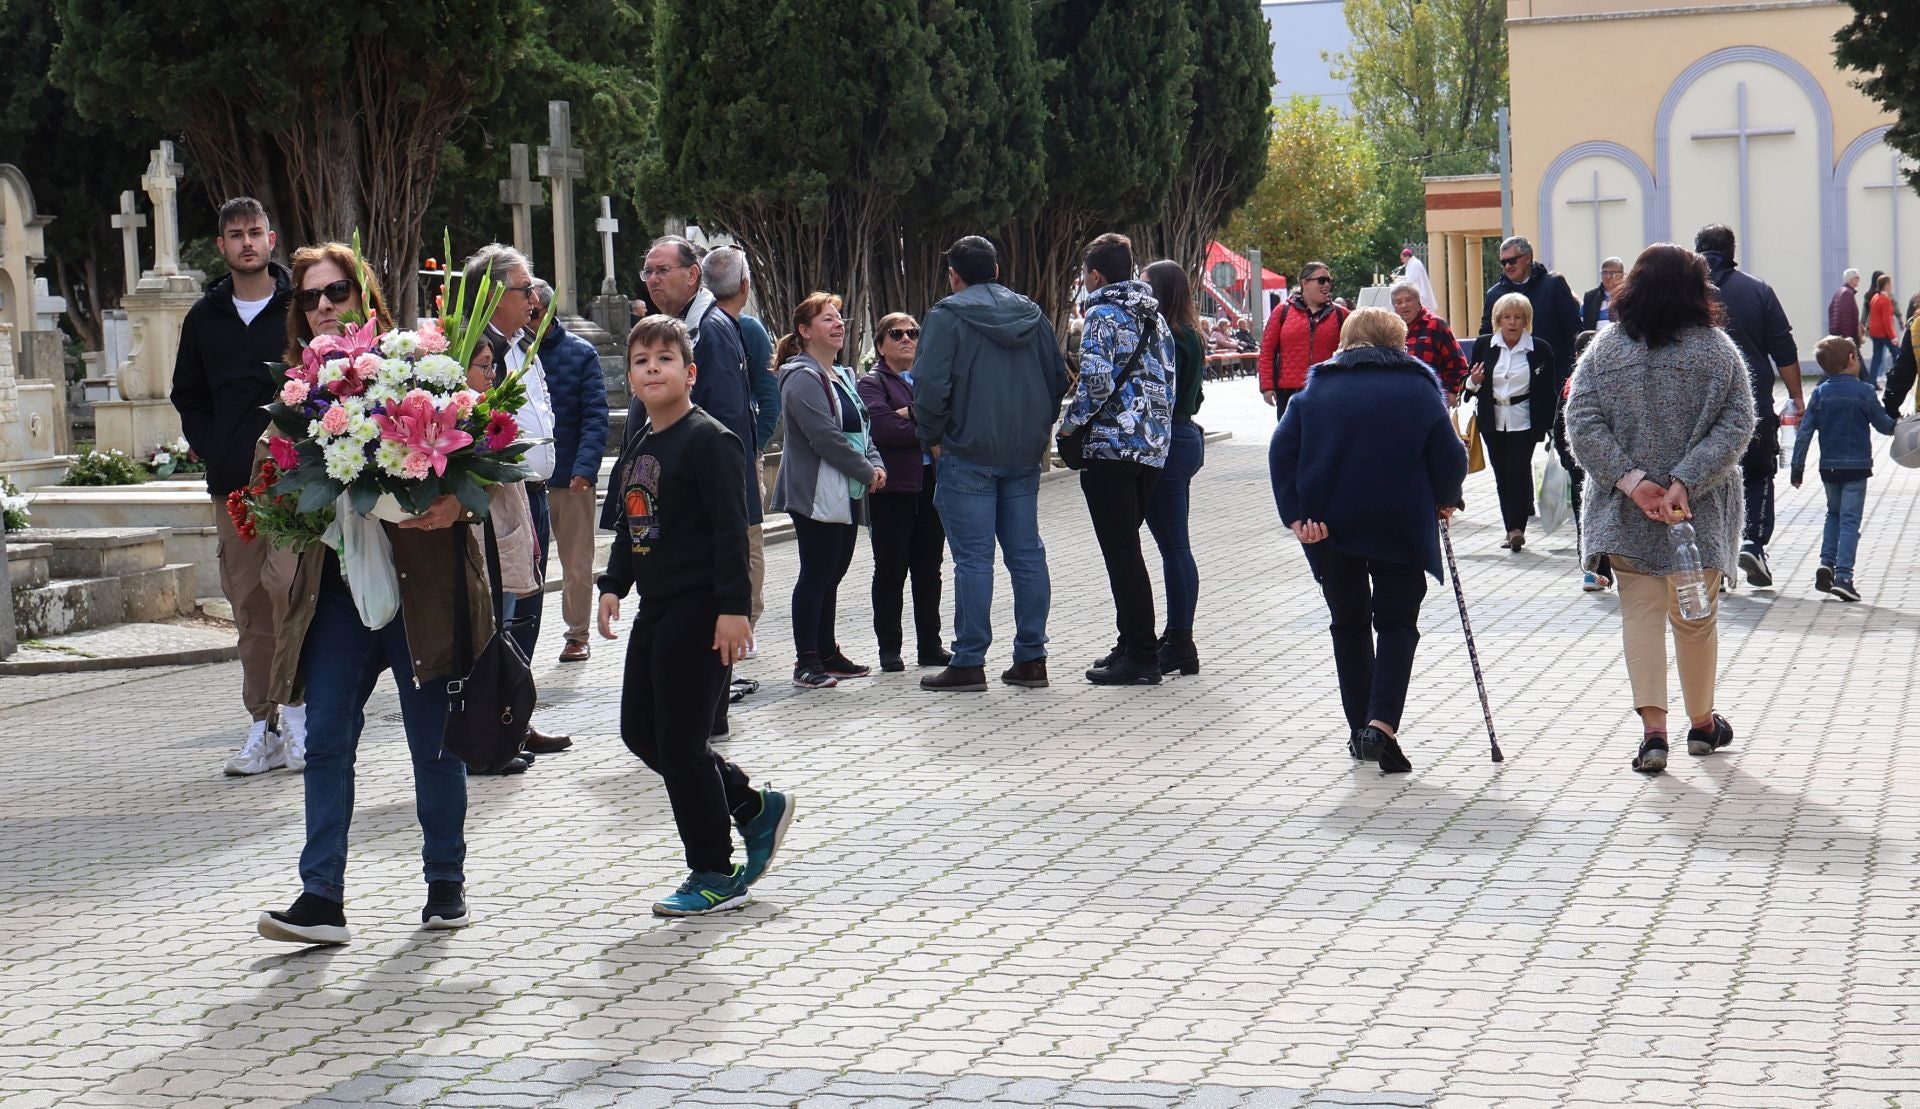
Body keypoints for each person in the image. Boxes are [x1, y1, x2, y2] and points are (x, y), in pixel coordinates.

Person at [256, 244, 482, 945]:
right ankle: (322, 896)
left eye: (337, 291)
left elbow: (482, 461)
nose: (324, 304)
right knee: (326, 739)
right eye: (311, 297)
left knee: (433, 742)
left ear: (366, 298)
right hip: (337, 591)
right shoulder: (297, 392)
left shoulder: (415, 372)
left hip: (422, 587)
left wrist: (458, 506)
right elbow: (273, 476)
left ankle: (444, 882)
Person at [597, 314, 793, 916]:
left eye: (665, 358)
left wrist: (735, 610)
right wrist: (613, 585)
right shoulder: (641, 442)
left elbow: (732, 532)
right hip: (656, 607)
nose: (652, 368)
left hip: (703, 607)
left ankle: (713, 870)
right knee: (641, 732)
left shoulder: (711, 439)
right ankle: (750, 804)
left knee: (681, 743)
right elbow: (635, 525)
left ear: (691, 372)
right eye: (641, 361)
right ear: (630, 378)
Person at [1565, 243, 1755, 776]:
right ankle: (1702, 723)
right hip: (1696, 513)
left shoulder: (1604, 350)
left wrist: (1631, 482)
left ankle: (1653, 734)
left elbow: (1581, 423)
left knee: (1641, 618)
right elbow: (1739, 423)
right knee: (1696, 618)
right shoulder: (1718, 352)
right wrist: (1684, 482)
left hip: (1626, 513)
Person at [1269, 307, 1468, 775]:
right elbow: (1449, 454)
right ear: (1397, 344)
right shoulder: (1418, 387)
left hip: (1329, 527)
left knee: (1349, 625)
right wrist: (1445, 497)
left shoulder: (1316, 387)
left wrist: (1296, 516)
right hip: (1398, 523)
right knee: (1397, 625)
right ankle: (1380, 727)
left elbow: (1282, 450)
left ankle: (1361, 725)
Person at [168, 196, 306, 777]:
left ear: (271, 240)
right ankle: (263, 726)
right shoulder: (204, 318)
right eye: (235, 235)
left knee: (290, 590)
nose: (246, 243)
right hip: (234, 488)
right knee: (249, 603)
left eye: (255, 232)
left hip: (295, 481)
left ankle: (301, 720)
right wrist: (216, 445)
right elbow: (187, 393)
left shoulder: (299, 306)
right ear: (221, 246)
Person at [912, 235, 1070, 692]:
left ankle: (969, 660)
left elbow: (929, 386)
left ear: (954, 275)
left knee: (973, 560)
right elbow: (1057, 377)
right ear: (997, 270)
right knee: (1026, 554)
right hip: (1021, 454)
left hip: (966, 451)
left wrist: (933, 437)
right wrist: (1036, 429)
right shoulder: (1032, 313)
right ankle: (1032, 657)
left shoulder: (947, 316)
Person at [462, 246, 570, 758]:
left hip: (533, 493)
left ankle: (517, 718)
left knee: (527, 611)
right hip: (501, 497)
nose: (534, 296)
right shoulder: (477, 350)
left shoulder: (523, 342)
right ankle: (494, 729)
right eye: (523, 288)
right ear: (491, 294)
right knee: (500, 619)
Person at [1063, 233, 1174, 686]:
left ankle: (1142, 655)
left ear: (1094, 274)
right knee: (1128, 548)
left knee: (1121, 553)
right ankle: (1130, 642)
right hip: (1151, 449)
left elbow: (1094, 381)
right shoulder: (1155, 316)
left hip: (1110, 448)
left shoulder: (1101, 313)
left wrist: (1069, 426)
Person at [767, 293, 885, 689]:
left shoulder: (843, 375)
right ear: (804, 331)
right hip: (816, 491)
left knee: (833, 574)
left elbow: (862, 428)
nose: (838, 325)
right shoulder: (801, 376)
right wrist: (866, 469)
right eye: (827, 320)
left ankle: (828, 652)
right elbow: (825, 437)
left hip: (847, 489)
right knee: (816, 574)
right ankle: (806, 661)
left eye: (839, 319)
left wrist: (875, 463)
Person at [1694, 224, 1804, 589]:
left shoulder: (1682, 293)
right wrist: (1797, 396)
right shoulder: (1757, 290)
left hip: (1696, 405)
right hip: (1752, 399)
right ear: (1732, 249)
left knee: (1705, 477)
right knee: (1758, 471)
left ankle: (1714, 557)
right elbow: (1783, 347)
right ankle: (1753, 542)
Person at [858, 312, 949, 672]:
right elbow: (883, 430)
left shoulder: (928, 377)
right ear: (880, 344)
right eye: (896, 334)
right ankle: (889, 649)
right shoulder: (872, 382)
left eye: (913, 332)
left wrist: (909, 414)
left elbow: (948, 418)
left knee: (930, 570)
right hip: (892, 487)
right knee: (891, 570)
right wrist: (926, 424)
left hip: (930, 485)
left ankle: (931, 645)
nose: (907, 339)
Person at [526, 280, 608, 666]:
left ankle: (576, 635)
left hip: (570, 478)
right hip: (521, 479)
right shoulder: (508, 353)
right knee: (523, 566)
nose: (528, 321)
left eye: (535, 314)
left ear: (548, 312)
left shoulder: (581, 353)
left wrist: (585, 468)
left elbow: (595, 415)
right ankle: (517, 635)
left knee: (576, 564)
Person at [705, 246, 777, 641]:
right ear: (746, 284)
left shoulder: (746, 329)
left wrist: (757, 444)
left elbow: (768, 395)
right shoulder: (711, 325)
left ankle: (749, 618)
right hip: (724, 455)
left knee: (749, 536)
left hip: (743, 454)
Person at [1790, 336, 1894, 603]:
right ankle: (1844, 577)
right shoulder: (1865, 391)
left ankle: (1827, 562)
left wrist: (1797, 467)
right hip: (1857, 469)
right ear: (1851, 359)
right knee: (1850, 521)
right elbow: (1883, 425)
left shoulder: (1821, 392)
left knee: (1833, 515)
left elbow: (1805, 432)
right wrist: (1901, 425)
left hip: (1829, 468)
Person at [1141, 260, 1207, 676]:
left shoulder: (1169, 336)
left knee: (1173, 547)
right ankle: (1175, 637)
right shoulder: (1192, 334)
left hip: (1164, 441)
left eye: (1147, 284)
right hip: (1183, 437)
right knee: (1174, 545)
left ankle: (1179, 638)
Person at [1464, 292, 1558, 550]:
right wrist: (1474, 381)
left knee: (1517, 471)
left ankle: (1517, 528)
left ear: (1527, 320)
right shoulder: (1484, 345)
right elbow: (1468, 388)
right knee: (1501, 475)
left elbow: (1549, 391)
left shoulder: (1540, 349)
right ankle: (1509, 529)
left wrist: (1552, 427)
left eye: (1518, 317)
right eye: (1507, 317)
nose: (1512, 322)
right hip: (1492, 419)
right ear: (1498, 320)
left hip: (1525, 419)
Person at [1555, 330, 1613, 592]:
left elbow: (1559, 429)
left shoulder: (1572, 384)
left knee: (1586, 516)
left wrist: (1568, 460)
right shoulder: (1608, 381)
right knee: (1602, 515)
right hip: (1601, 466)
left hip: (1583, 463)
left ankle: (1594, 570)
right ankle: (1598, 570)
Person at [1478, 235, 1582, 381]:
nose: (1508, 266)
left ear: (1528, 257)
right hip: (1509, 380)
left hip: (1553, 376)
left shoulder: (1554, 285)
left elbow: (1574, 330)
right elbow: (1486, 336)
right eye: (1503, 262)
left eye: (1512, 260)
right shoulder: (1495, 295)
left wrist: (1574, 371)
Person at [1258, 261, 1347, 420]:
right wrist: (1267, 386)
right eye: (1321, 280)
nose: (1326, 284)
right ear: (1304, 283)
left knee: (1324, 441)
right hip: (1289, 392)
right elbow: (1267, 351)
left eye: (1329, 281)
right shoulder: (1282, 311)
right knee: (1291, 442)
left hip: (1328, 390)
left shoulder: (1341, 314)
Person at [1391, 279, 1470, 400]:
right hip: (1400, 399)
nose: (1404, 305)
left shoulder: (1436, 325)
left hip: (1432, 398)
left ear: (1418, 302)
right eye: (1398, 302)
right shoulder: (1390, 329)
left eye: (1408, 300)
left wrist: (1453, 392)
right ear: (1394, 307)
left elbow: (1458, 364)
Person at [1866, 272, 1896, 388]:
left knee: (1876, 357)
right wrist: (1893, 337)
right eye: (1890, 284)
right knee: (1897, 354)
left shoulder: (1875, 297)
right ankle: (1895, 379)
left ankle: (1872, 381)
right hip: (1884, 333)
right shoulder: (1885, 300)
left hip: (1875, 332)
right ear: (1887, 285)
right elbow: (1886, 321)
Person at [1581, 257, 1625, 332]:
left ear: (1622, 274)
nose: (1608, 276)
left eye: (1612, 273)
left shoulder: (1629, 295)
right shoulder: (1590, 296)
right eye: (1604, 273)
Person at [1398, 247, 1438, 314]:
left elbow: (1413, 280)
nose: (1402, 261)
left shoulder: (1415, 264)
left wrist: (1401, 281)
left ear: (1407, 257)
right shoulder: (1411, 264)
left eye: (1402, 259)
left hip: (1420, 293)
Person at [1829, 268, 1863, 342]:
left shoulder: (1840, 292)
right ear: (1850, 279)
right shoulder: (1847, 293)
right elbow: (1845, 318)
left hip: (1840, 336)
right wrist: (1848, 338)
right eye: (1857, 277)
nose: (1859, 280)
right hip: (1846, 338)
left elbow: (1830, 310)